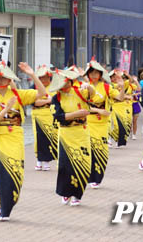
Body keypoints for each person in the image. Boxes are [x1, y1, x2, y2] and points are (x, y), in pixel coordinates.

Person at [0, 61, 45, 221]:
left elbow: (41, 93)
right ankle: (0, 203)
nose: (1, 82)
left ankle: (6, 208)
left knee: (13, 173)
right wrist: (5, 109)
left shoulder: (18, 95)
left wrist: (32, 74)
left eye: (4, 79)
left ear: (9, 80)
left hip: (14, 139)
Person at [51, 69, 93, 206]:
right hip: (66, 134)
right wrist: (77, 114)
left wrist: (89, 86)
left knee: (84, 163)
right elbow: (58, 117)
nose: (64, 85)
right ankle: (66, 192)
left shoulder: (80, 90)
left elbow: (92, 96)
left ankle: (77, 194)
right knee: (66, 165)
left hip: (81, 132)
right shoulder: (56, 98)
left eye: (66, 81)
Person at [84, 60, 122, 188]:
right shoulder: (84, 86)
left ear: (100, 74)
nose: (94, 75)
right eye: (92, 72)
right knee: (88, 151)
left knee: (101, 151)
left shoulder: (106, 87)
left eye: (97, 73)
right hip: (87, 122)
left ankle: (97, 178)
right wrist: (98, 110)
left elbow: (120, 98)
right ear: (88, 74)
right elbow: (82, 106)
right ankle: (88, 176)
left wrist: (122, 87)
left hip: (102, 124)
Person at [31, 65, 58, 171]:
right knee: (38, 137)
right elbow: (33, 102)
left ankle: (46, 161)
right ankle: (39, 160)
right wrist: (47, 101)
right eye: (41, 78)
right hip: (38, 116)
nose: (44, 80)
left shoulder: (54, 87)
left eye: (46, 77)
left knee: (49, 138)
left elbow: (56, 100)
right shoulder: (34, 87)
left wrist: (48, 101)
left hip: (50, 116)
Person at [130, 75, 141, 140]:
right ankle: (129, 132)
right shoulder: (128, 88)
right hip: (128, 106)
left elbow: (139, 89)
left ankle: (134, 134)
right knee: (129, 121)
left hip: (136, 106)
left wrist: (136, 81)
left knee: (134, 121)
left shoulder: (137, 89)